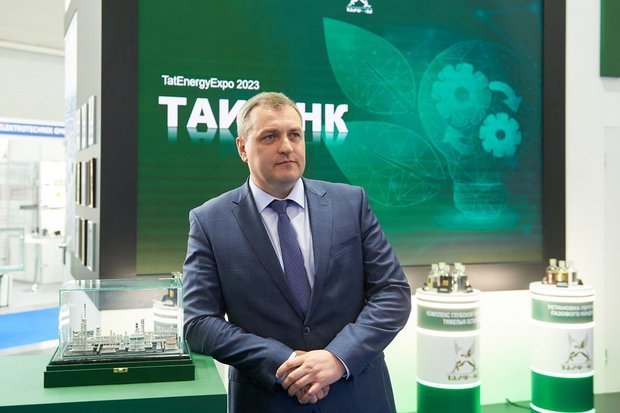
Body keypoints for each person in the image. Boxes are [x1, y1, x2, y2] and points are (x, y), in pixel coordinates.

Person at [183, 91, 411, 412]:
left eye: (294, 135)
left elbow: (392, 293)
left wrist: (338, 357)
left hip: (357, 394)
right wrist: (285, 362)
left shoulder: (351, 203)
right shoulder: (209, 221)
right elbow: (199, 323)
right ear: (242, 148)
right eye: (270, 136)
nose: (286, 146)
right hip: (267, 400)